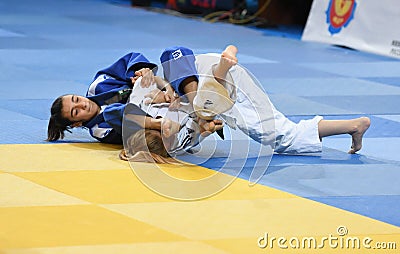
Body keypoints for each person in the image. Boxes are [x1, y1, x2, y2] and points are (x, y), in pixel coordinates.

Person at [121, 45, 371, 162]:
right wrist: (205, 128)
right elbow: (204, 130)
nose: (167, 132)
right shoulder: (178, 146)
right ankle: (353, 126)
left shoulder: (137, 113)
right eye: (166, 138)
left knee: (189, 92)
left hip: (192, 69)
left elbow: (150, 75)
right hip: (226, 87)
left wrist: (165, 93)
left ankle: (217, 74)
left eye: (160, 131)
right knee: (281, 136)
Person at [46, 48, 200, 144]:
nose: (82, 104)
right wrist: (151, 100)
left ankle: (197, 106)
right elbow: (134, 131)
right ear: (77, 124)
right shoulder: (99, 130)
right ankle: (190, 120)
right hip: (166, 121)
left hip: (170, 93)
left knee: (173, 53)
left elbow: (130, 60)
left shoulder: (98, 86)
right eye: (76, 111)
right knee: (111, 113)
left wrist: (140, 72)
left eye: (76, 99)